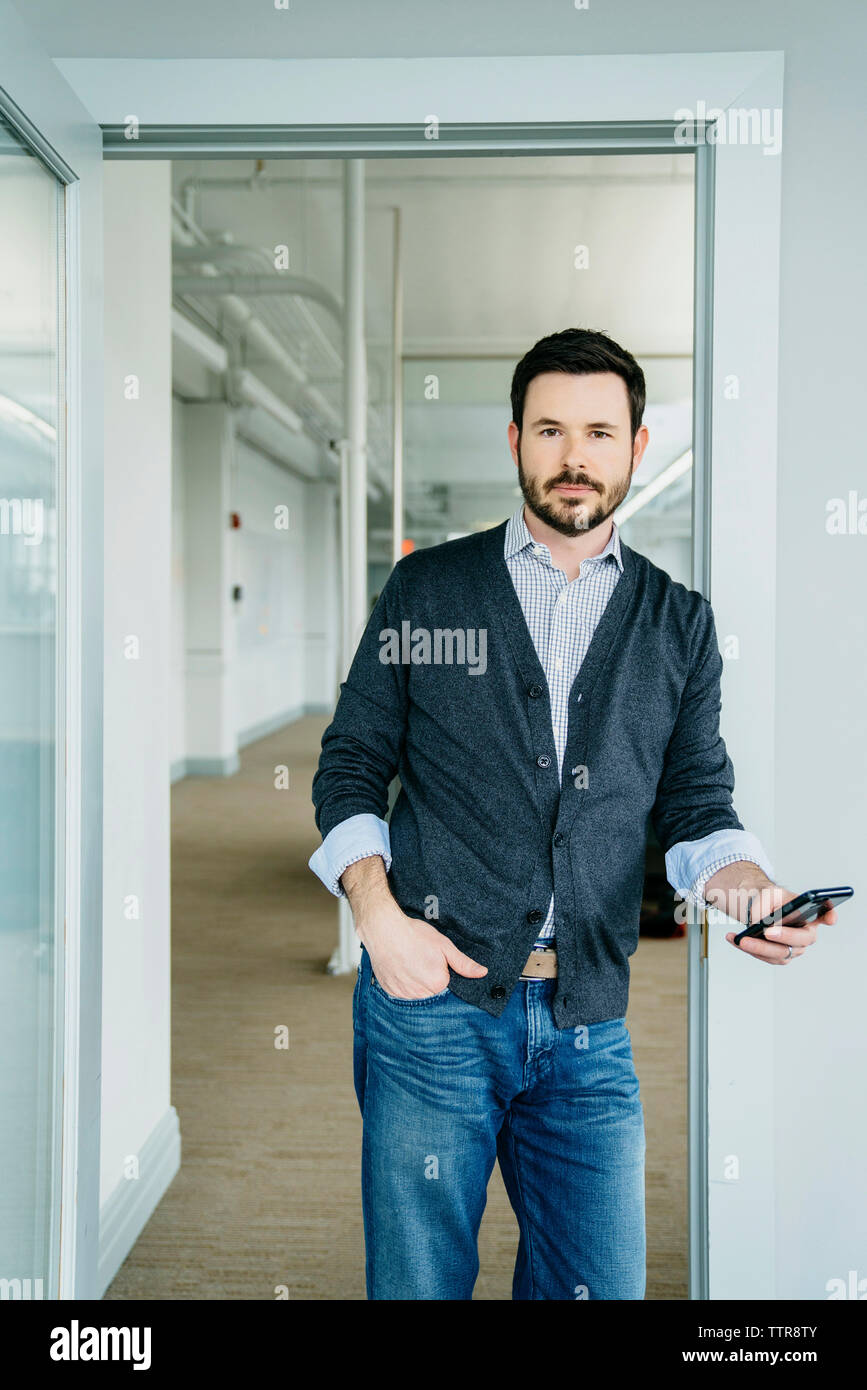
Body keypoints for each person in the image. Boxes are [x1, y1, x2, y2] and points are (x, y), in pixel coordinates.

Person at [308, 327, 834, 1301]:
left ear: (637, 445)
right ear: (515, 440)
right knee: (417, 1285)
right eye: (550, 429)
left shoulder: (678, 622)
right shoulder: (431, 588)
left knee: (599, 1284)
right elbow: (351, 761)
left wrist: (746, 888)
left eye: (600, 430)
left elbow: (695, 802)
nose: (574, 454)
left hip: (589, 1021)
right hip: (432, 1014)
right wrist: (376, 919)